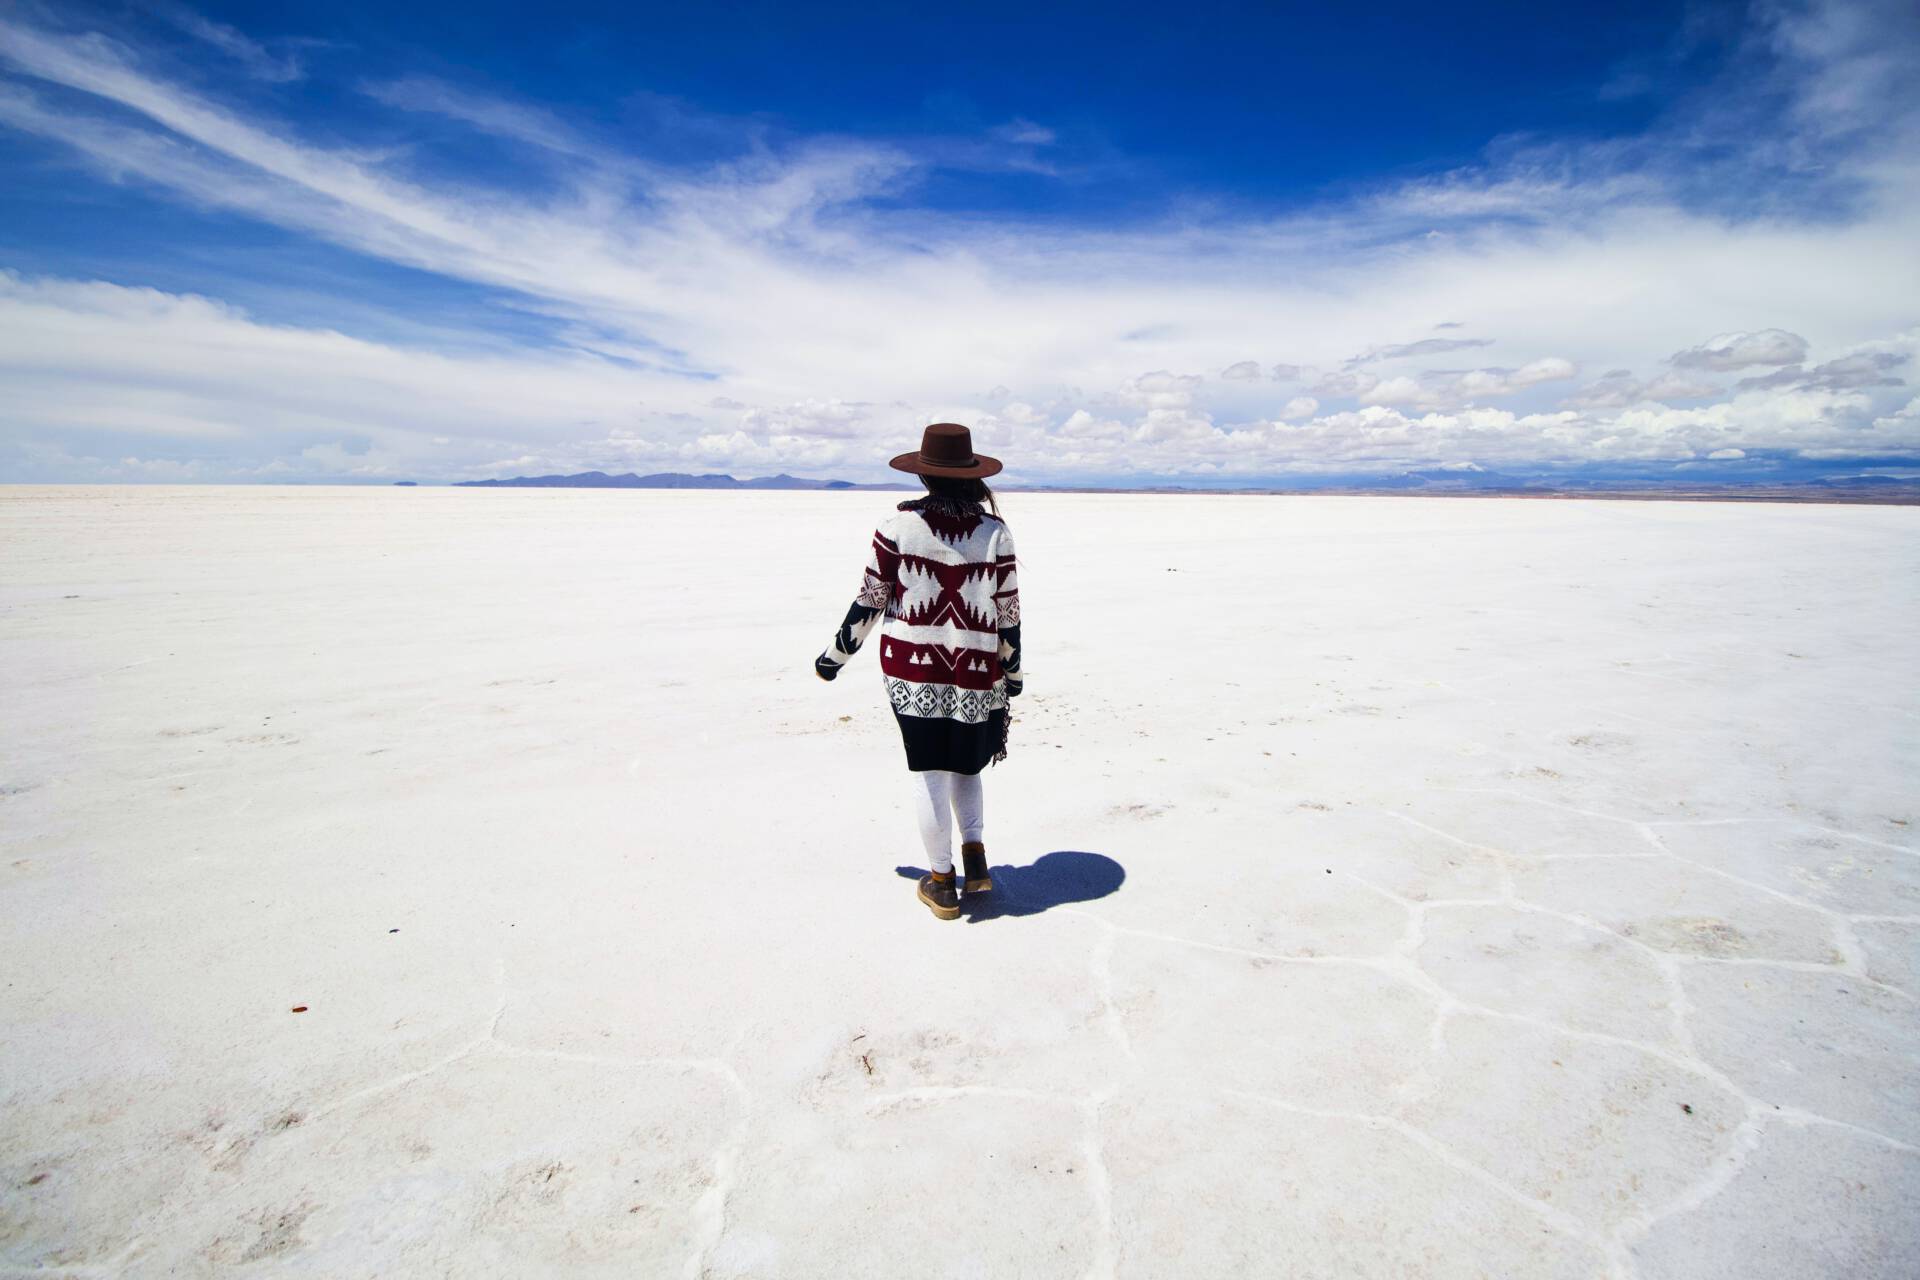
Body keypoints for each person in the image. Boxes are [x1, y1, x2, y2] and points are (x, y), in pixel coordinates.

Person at [814, 423, 1023, 920]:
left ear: (925, 476)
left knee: (930, 772)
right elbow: (1008, 614)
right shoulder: (995, 533)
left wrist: (833, 659)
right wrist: (1012, 675)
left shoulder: (897, 527)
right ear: (971, 474)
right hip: (976, 671)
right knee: (967, 766)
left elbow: (870, 601)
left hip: (913, 674)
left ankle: (941, 881)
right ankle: (976, 865)